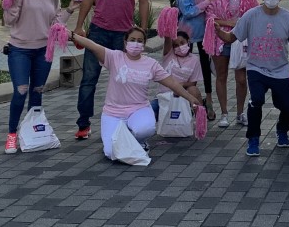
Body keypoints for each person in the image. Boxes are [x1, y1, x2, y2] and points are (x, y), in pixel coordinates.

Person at [70, 27, 201, 162]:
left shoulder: (151, 64)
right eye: (132, 40)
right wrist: (72, 35)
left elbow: (172, 83)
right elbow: (93, 45)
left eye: (140, 41)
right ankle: (123, 136)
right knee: (110, 152)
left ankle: (140, 142)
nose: (136, 43)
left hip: (138, 109)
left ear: (144, 44)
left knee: (145, 128)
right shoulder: (114, 57)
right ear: (125, 42)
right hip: (113, 113)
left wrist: (191, 98)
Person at [216, 0, 289, 157]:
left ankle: (282, 130)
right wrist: (217, 32)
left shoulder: (287, 18)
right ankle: (253, 138)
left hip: (281, 70)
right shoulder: (251, 16)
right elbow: (231, 37)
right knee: (257, 100)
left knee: (287, 108)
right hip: (256, 68)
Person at [72, 0, 151, 141]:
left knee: (125, 79)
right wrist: (79, 26)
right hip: (98, 31)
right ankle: (84, 123)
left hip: (123, 35)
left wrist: (142, 30)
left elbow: (144, 2)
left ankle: (125, 120)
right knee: (89, 78)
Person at [2, 0, 72, 154]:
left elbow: (56, 24)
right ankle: (11, 135)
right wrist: (10, 1)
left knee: (37, 91)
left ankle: (33, 134)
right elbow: (9, 20)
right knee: (21, 90)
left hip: (43, 51)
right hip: (20, 50)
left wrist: (71, 9)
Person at [205, 0, 257, 129]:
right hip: (220, 38)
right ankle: (224, 114)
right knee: (221, 76)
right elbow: (210, 16)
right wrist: (229, 22)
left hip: (241, 38)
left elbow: (255, 11)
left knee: (242, 78)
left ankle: (241, 113)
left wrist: (241, 25)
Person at [177, 0, 216, 119]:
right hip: (187, 33)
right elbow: (187, 10)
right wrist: (207, 2)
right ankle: (187, 100)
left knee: (206, 68)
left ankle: (209, 101)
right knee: (185, 68)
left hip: (205, 33)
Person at [162, 28, 205, 107]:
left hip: (183, 93)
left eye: (182, 43)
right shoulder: (169, 55)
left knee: (194, 90)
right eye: (176, 45)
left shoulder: (194, 60)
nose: (180, 47)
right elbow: (167, 38)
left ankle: (200, 117)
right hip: (165, 94)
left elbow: (193, 83)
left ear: (188, 41)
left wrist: (181, 85)